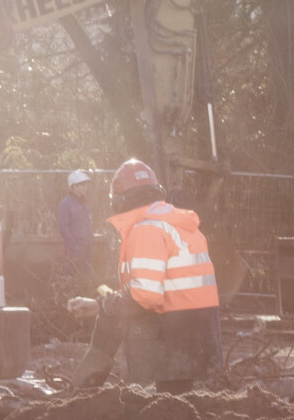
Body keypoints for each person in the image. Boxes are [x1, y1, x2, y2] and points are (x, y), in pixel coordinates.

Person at [68, 158, 221, 392]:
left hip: (174, 338)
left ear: (119, 201)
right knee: (112, 308)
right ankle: (85, 389)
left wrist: (106, 306)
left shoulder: (146, 229)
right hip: (201, 332)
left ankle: (82, 390)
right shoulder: (178, 223)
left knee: (113, 315)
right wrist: (100, 304)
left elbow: (145, 298)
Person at [58, 169, 96, 288]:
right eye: (82, 185)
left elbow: (88, 223)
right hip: (75, 249)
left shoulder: (85, 203)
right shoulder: (65, 204)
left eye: (86, 185)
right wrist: (74, 245)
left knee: (87, 278)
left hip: (87, 246)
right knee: (72, 277)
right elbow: (63, 227)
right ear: (73, 187)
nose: (85, 188)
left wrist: (90, 239)